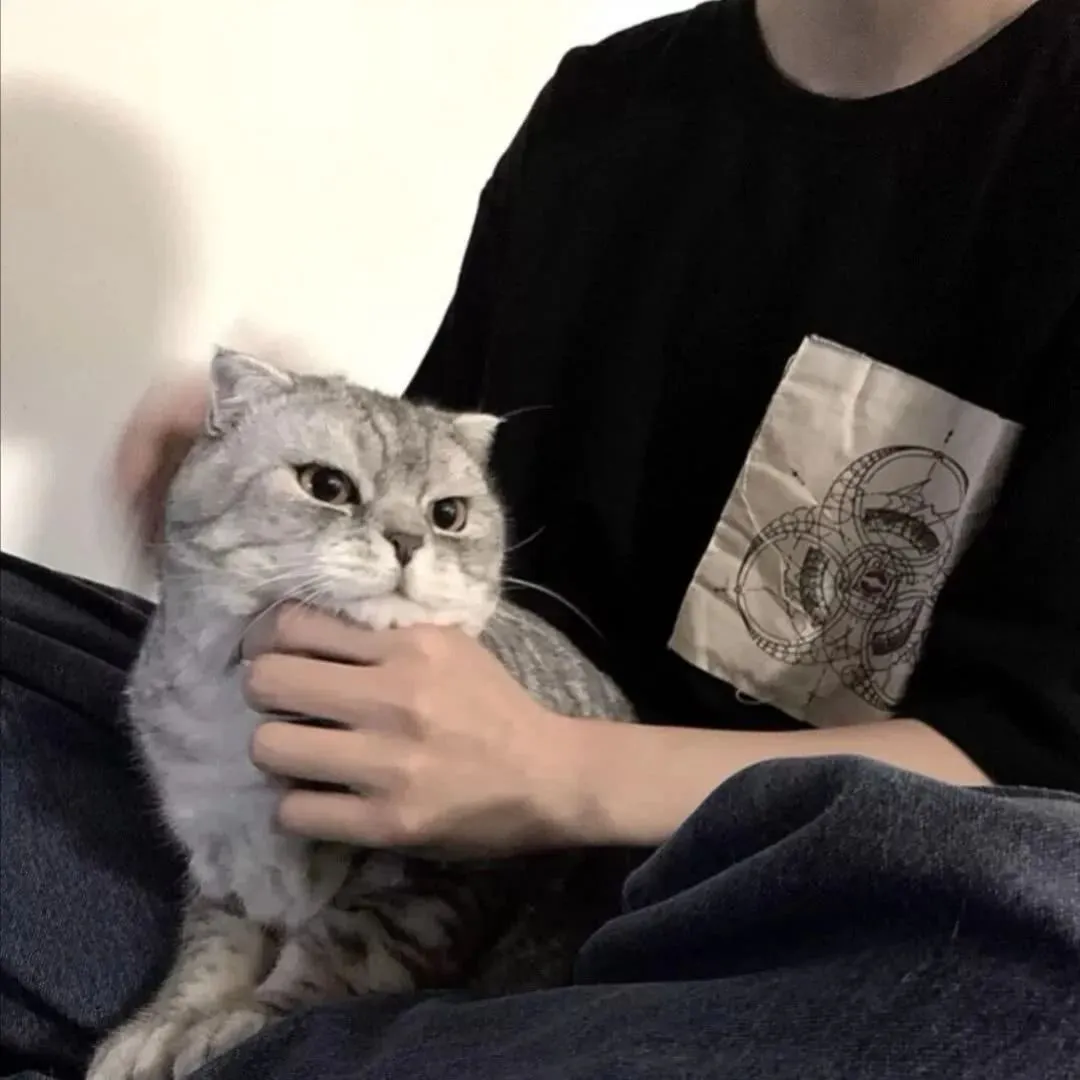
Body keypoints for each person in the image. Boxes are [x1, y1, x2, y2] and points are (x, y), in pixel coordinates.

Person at [2, 1, 1078, 1077]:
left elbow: (1027, 764)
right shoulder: (604, 102)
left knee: (1039, 977)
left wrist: (554, 770)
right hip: (431, 862)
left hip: (785, 910)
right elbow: (446, 535)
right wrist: (255, 539)